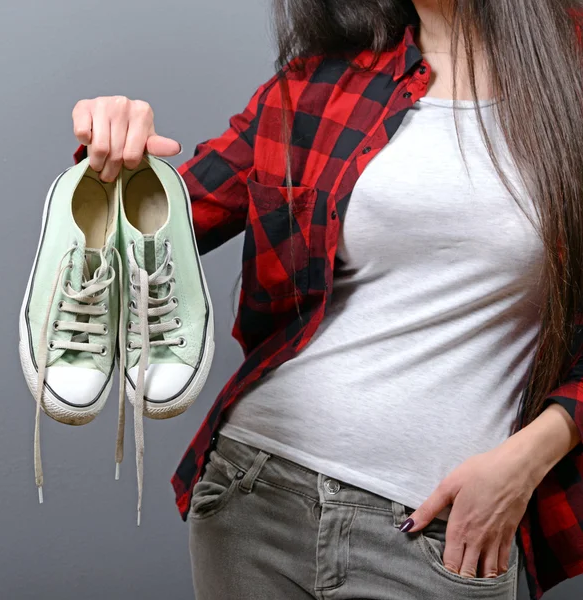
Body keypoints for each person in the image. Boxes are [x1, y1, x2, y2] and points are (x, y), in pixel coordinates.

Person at [71, 1, 583, 598]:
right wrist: (112, 159)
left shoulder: (568, 73)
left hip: (437, 525)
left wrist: (527, 458)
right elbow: (151, 236)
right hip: (254, 491)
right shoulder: (318, 84)